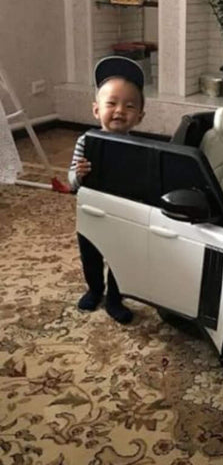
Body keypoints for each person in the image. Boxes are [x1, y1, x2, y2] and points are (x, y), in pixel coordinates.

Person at [68, 56, 146, 325]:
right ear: (96, 110)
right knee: (90, 255)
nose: (119, 110)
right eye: (111, 103)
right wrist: (77, 175)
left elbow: (142, 184)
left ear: (140, 116)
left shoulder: (138, 148)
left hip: (121, 216)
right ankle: (94, 289)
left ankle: (114, 297)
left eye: (129, 105)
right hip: (89, 212)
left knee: (119, 258)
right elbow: (70, 184)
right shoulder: (85, 141)